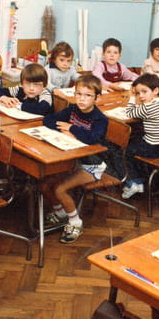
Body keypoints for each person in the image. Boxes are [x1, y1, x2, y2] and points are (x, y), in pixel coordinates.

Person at [40, 75, 109, 244]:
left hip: (93, 164)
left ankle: (75, 223)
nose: (82, 99)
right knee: (44, 185)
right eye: (79, 94)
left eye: (87, 95)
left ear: (97, 98)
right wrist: (66, 130)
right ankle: (61, 213)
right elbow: (48, 120)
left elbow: (92, 138)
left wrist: (72, 128)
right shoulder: (72, 109)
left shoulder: (100, 119)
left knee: (60, 189)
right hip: (74, 160)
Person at [121, 73, 159, 199]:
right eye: (138, 93)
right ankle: (139, 177)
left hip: (153, 147)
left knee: (126, 151)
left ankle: (134, 182)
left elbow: (129, 113)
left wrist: (132, 97)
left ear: (155, 91)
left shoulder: (148, 108)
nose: (141, 96)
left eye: (144, 92)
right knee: (134, 139)